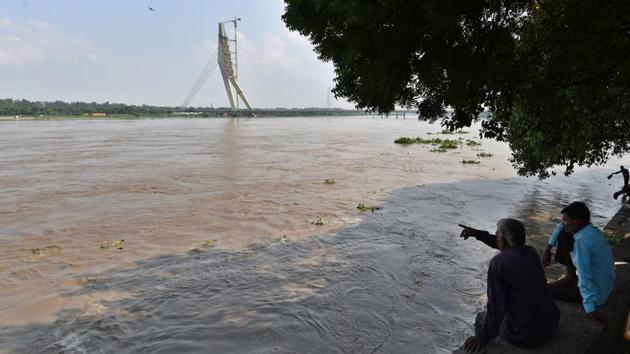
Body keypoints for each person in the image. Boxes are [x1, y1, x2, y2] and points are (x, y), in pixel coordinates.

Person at [459, 219, 560, 352]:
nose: (496, 236)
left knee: (481, 318)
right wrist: (477, 234)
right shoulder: (531, 252)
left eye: (497, 234)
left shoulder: (499, 263)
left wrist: (482, 337)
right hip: (550, 324)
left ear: (501, 238)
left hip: (526, 335)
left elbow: (496, 306)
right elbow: (507, 245)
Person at [543, 202, 615, 322]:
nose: (563, 224)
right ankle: (569, 278)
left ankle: (568, 280)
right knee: (563, 232)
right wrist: (548, 249)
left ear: (577, 222)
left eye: (566, 221)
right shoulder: (592, 231)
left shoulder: (582, 242)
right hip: (603, 286)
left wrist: (590, 308)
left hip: (595, 294)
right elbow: (560, 227)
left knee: (544, 291)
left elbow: (584, 275)